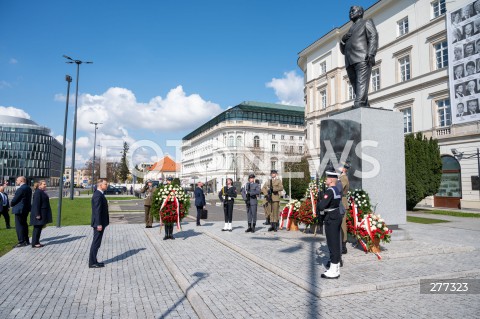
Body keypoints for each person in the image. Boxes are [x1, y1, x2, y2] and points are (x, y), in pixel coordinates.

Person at [339, 5, 378, 108]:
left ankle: (359, 103)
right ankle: (364, 103)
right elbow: (343, 51)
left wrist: (371, 53)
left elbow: (373, 36)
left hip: (362, 57)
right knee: (356, 85)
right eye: (349, 11)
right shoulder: (350, 30)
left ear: (360, 12)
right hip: (349, 61)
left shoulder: (366, 22)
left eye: (353, 11)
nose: (350, 13)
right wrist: (342, 40)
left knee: (361, 82)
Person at [317, 168, 342, 279]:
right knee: (335, 243)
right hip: (336, 216)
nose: (326, 179)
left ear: (331, 179)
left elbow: (322, 206)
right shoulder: (336, 190)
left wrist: (320, 201)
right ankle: (335, 267)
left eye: (327, 177)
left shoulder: (329, 191)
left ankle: (334, 270)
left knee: (332, 244)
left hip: (331, 218)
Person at [89, 179, 109, 269]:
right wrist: (99, 224)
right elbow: (97, 211)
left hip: (100, 222)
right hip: (98, 223)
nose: (107, 185)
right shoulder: (97, 195)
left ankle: (94, 260)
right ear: (100, 185)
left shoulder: (100, 194)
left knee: (97, 243)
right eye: (105, 184)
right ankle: (92, 262)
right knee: (96, 243)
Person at [10, 176, 32, 248]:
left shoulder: (21, 189)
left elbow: (15, 199)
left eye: (17, 180)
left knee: (19, 226)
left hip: (19, 209)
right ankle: (26, 240)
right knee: (24, 225)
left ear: (21, 181)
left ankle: (21, 241)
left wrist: (11, 204)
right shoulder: (28, 188)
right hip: (25, 209)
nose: (16, 181)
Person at [30, 180, 52, 248]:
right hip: (39, 214)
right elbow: (36, 204)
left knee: (39, 228)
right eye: (44, 184)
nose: (45, 185)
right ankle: (34, 243)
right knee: (37, 228)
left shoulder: (41, 192)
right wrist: (37, 214)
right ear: (39, 185)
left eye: (45, 184)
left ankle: (37, 242)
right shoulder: (38, 192)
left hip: (42, 213)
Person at [338, 163, 350, 255]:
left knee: (342, 224)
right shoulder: (341, 177)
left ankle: (343, 245)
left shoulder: (343, 178)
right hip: (340, 200)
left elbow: (339, 189)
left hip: (342, 201)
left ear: (344, 169)